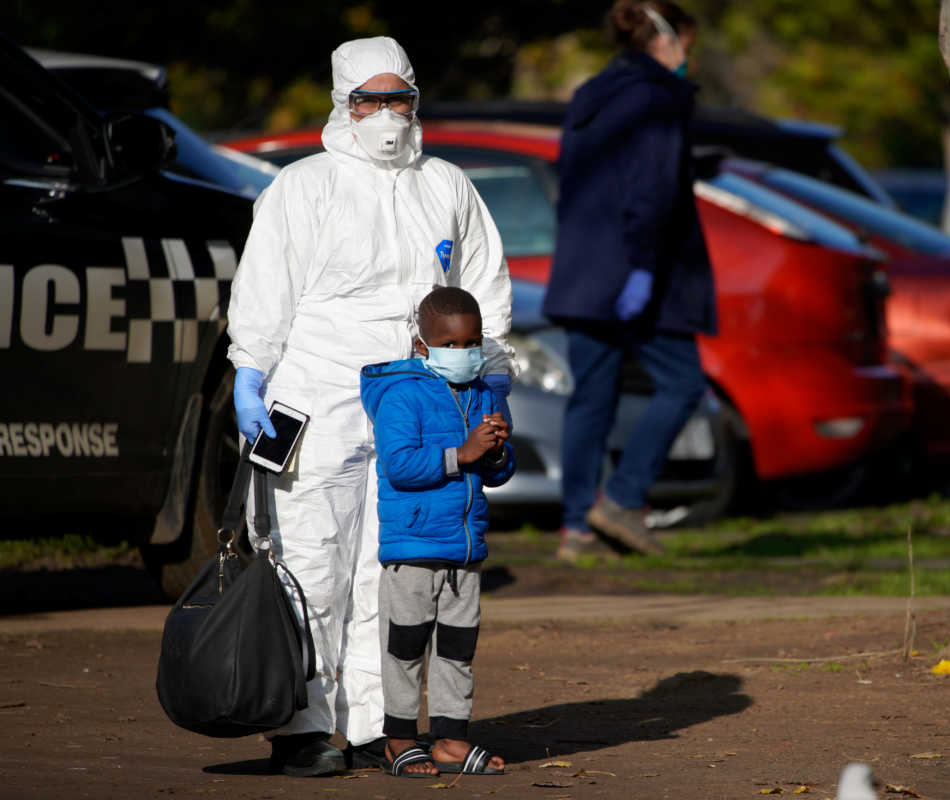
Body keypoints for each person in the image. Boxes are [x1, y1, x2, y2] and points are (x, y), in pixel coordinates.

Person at [226, 37, 514, 777]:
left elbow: (485, 285)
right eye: (369, 99)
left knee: (385, 569)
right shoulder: (303, 186)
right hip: (315, 392)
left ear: (418, 102)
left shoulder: (446, 185)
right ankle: (301, 724)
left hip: (414, 402)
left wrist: (493, 368)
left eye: (399, 98)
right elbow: (265, 287)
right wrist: (250, 370)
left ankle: (368, 724)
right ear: (341, 104)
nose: (386, 114)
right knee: (311, 558)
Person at [542, 0, 716, 562]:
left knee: (592, 399)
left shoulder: (593, 97)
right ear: (664, 42)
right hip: (638, 275)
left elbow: (592, 182)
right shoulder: (658, 99)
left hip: (585, 272)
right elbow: (650, 191)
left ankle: (576, 530)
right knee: (683, 383)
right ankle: (621, 498)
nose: (687, 58)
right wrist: (641, 267)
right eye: (686, 46)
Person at [360, 286, 513, 778]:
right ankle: (399, 740)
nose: (466, 354)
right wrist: (463, 454)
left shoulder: (485, 391)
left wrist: (496, 453)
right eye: (454, 345)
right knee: (405, 648)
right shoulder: (402, 394)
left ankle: (450, 739)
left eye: (474, 343)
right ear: (423, 346)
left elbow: (497, 474)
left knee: (457, 649)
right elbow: (401, 466)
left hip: (464, 548)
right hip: (414, 546)